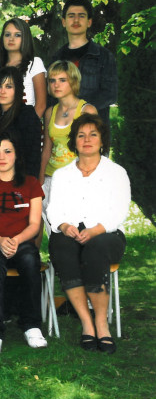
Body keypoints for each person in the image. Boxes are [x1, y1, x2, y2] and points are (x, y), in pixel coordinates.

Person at [47, 113, 129, 354]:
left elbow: (120, 211)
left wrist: (94, 231)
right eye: (81, 135)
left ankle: (101, 322)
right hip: (71, 233)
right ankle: (86, 322)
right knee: (60, 245)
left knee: (96, 249)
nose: (87, 140)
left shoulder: (116, 172)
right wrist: (64, 226)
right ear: (74, 141)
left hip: (107, 234)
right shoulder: (62, 174)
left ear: (102, 140)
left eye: (93, 134)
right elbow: (54, 210)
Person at [0, 131, 47, 355]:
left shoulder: (31, 184)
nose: (2, 157)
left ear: (17, 155)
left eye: (7, 151)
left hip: (21, 241)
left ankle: (31, 325)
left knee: (30, 260)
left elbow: (35, 224)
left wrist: (16, 240)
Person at [49, 0, 117, 129]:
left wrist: (80, 109)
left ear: (89, 22)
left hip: (94, 130)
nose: (76, 20)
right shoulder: (56, 58)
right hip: (63, 129)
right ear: (63, 22)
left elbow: (110, 94)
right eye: (71, 16)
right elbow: (51, 96)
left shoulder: (103, 56)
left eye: (81, 16)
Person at [39, 61, 98, 204]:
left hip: (77, 180)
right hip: (51, 177)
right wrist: (40, 182)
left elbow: (94, 152)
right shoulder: (50, 112)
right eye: (52, 80)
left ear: (73, 81)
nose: (56, 85)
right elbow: (47, 149)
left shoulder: (87, 111)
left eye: (62, 80)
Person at [0, 66, 42, 178]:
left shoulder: (27, 115)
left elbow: (33, 158)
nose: (2, 91)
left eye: (8, 86)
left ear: (18, 89)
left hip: (20, 180)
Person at [0, 18, 47, 118]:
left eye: (17, 35)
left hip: (27, 123)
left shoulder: (35, 64)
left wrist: (30, 125)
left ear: (25, 38)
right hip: (2, 124)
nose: (11, 39)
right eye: (7, 35)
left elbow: (41, 105)